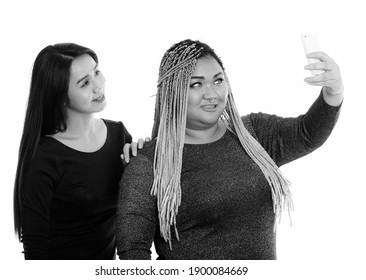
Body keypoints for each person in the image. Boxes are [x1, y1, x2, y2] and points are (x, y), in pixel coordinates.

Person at [116, 39, 343, 260]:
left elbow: (307, 133)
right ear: (171, 92)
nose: (211, 93)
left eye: (218, 80)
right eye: (196, 84)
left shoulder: (253, 134)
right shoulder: (148, 162)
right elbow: (133, 251)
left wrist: (333, 90)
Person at [13, 43, 146, 260]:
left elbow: (136, 214)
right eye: (84, 83)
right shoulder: (43, 158)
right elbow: (35, 250)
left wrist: (144, 165)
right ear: (60, 96)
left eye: (96, 72)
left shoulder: (119, 135)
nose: (98, 86)